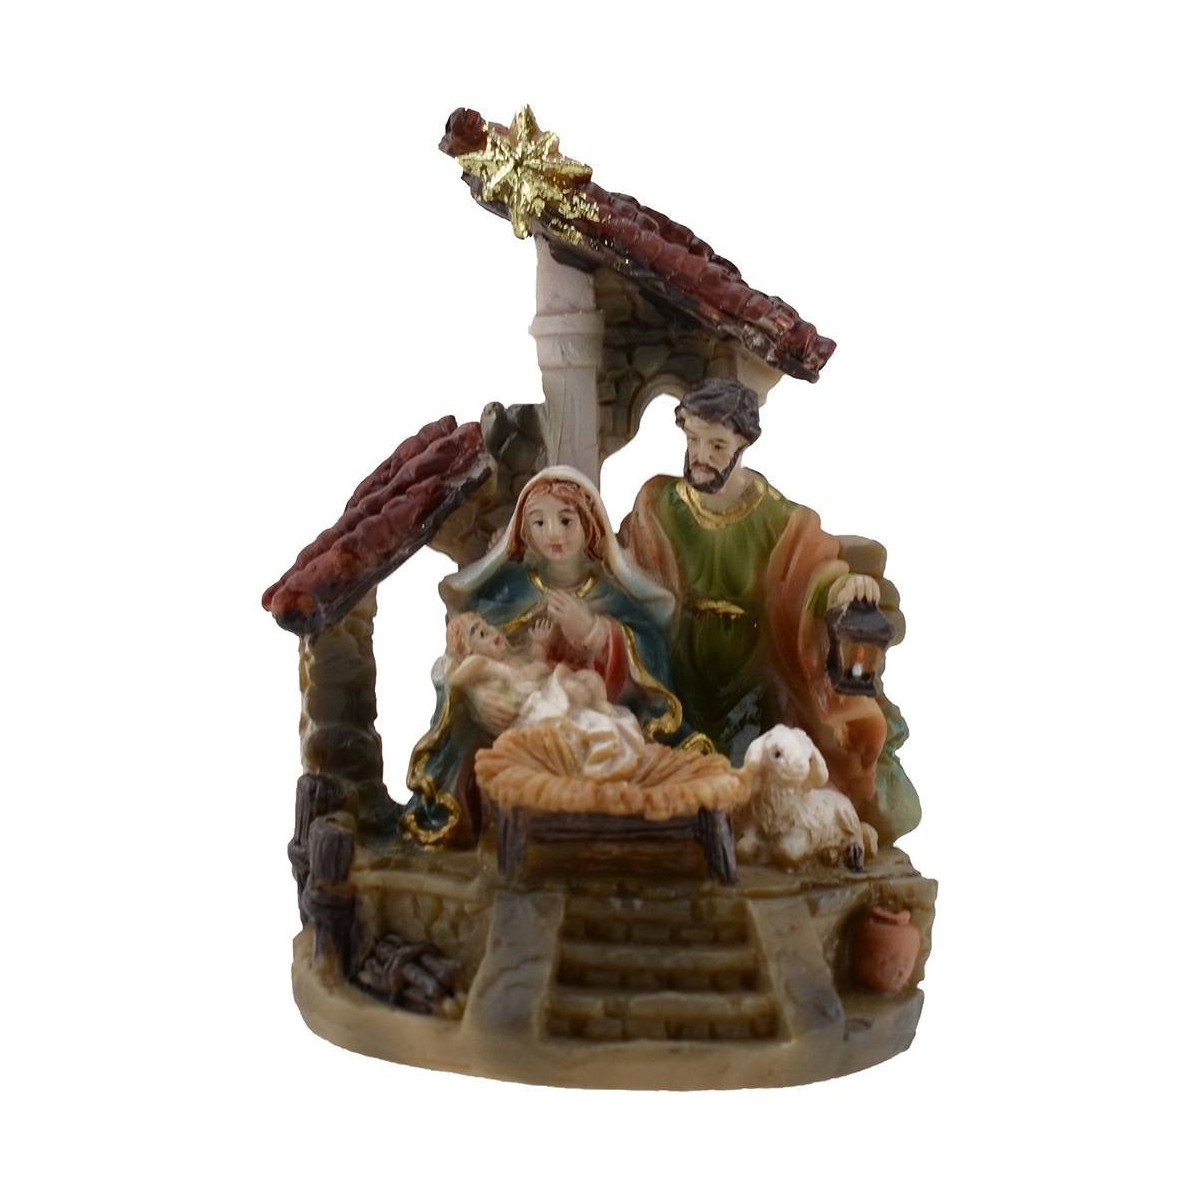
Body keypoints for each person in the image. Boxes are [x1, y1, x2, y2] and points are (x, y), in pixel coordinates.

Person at [619, 378, 920, 843]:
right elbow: (625, 563)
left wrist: (845, 587)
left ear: (743, 444)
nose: (700, 455)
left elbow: (811, 574)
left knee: (755, 764)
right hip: (677, 663)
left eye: (717, 445)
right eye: (693, 440)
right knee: (659, 754)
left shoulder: (778, 517)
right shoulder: (659, 505)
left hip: (751, 672)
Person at [404, 466, 682, 846]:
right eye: (539, 522)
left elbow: (652, 653)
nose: (553, 533)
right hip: (523, 720)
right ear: (525, 531)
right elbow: (466, 649)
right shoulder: (509, 590)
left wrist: (596, 632)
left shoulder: (609, 594)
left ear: (589, 525)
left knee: (610, 733)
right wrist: (478, 694)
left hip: (586, 705)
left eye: (566, 520)